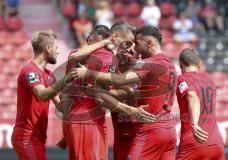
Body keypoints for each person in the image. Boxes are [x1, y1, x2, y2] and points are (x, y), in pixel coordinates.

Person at [72, 26, 177, 160]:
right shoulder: (169, 64)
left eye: (136, 45)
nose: (134, 49)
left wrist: (88, 74)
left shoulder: (146, 65)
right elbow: (133, 93)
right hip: (163, 129)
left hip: (148, 128)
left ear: (149, 44)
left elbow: (121, 82)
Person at [11, 30, 73, 160]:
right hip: (27, 136)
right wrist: (65, 80)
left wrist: (75, 92)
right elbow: (43, 94)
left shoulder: (49, 75)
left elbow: (61, 107)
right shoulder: (29, 71)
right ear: (48, 48)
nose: (58, 51)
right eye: (56, 48)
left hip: (38, 136)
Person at [176, 48, 225, 160]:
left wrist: (194, 124)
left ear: (181, 64)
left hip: (193, 142)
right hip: (216, 143)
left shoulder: (182, 79)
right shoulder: (210, 79)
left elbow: (192, 97)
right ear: (199, 63)